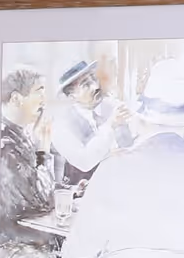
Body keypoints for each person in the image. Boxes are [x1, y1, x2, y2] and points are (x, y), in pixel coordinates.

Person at [61, 57, 184, 258]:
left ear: (141, 115)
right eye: (86, 84)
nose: (96, 87)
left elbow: (76, 255)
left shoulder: (114, 169)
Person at [50, 58, 128, 186]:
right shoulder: (61, 127)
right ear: (71, 96)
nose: (96, 86)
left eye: (93, 79)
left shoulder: (102, 114)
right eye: (86, 85)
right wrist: (111, 125)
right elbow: (85, 162)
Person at [0, 66, 54, 232]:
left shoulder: (21, 134)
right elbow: (42, 200)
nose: (44, 101)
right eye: (39, 92)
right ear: (16, 99)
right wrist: (43, 150)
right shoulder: (5, 144)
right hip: (16, 241)